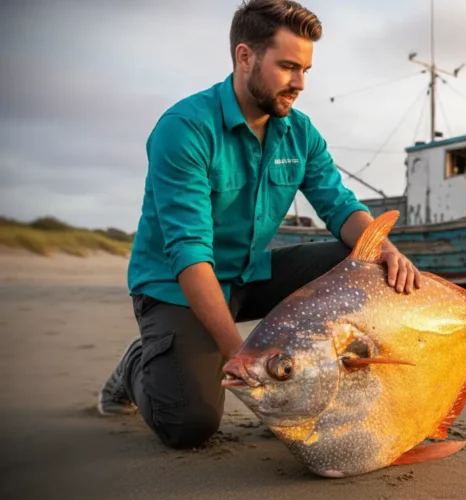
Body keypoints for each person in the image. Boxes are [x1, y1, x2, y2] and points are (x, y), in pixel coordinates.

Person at [97, 0, 422, 450]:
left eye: (306, 69)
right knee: (190, 426)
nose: (300, 83)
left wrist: (381, 248)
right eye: (288, 67)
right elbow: (189, 253)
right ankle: (139, 364)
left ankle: (332, 386)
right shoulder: (185, 129)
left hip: (248, 275)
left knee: (365, 262)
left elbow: (338, 203)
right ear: (244, 56)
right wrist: (240, 353)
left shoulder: (299, 132)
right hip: (175, 287)